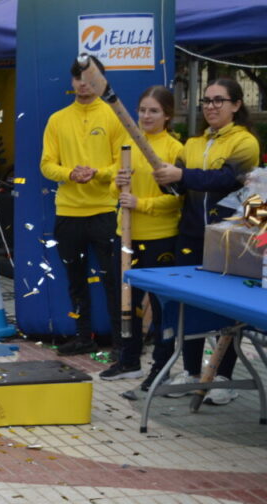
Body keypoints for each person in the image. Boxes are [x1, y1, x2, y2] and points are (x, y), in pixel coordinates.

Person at [150, 77, 260, 405]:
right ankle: (190, 371)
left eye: (218, 100)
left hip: (231, 237)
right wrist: (164, 180)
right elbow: (179, 187)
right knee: (189, 304)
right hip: (191, 234)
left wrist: (182, 175)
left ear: (236, 105)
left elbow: (225, 180)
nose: (211, 107)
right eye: (206, 101)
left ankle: (223, 377)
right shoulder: (192, 144)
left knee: (228, 308)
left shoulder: (245, 142)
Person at [39, 56, 127, 356]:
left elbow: (124, 164)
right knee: (75, 281)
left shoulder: (114, 116)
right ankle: (83, 336)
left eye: (90, 79)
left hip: (105, 211)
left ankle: (121, 342)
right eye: (78, 78)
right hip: (68, 213)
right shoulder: (57, 119)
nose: (83, 84)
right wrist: (70, 174)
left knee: (112, 280)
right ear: (72, 81)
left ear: (101, 80)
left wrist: (97, 173)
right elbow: (46, 165)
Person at [101, 86, 182, 387]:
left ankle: (161, 367)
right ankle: (129, 360)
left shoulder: (175, 149)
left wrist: (141, 204)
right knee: (126, 301)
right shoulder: (128, 144)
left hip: (160, 237)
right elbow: (115, 192)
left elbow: (177, 199)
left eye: (154, 111)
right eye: (143, 110)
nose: (146, 116)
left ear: (167, 115)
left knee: (160, 305)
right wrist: (118, 183)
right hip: (125, 236)